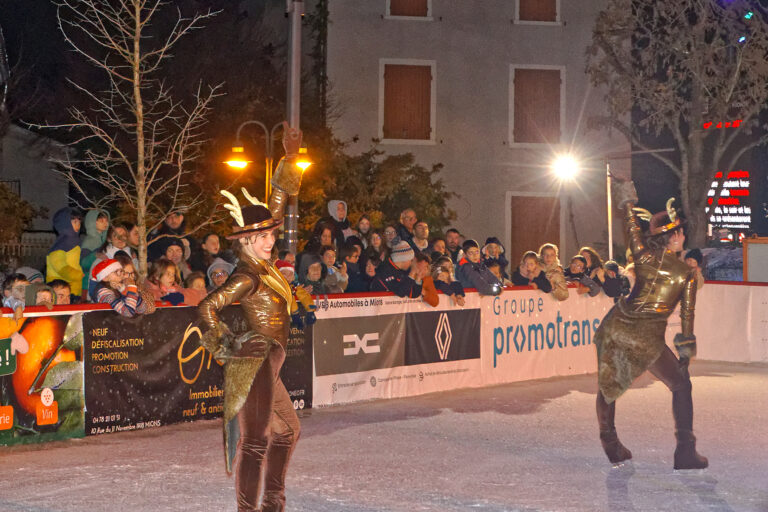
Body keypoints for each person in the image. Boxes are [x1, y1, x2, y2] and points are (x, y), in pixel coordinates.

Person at [198, 124, 304, 512]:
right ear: (244, 241)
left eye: (271, 234)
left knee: (288, 430)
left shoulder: (264, 263)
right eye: (261, 236)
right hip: (254, 359)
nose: (270, 239)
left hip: (268, 360)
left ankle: (273, 501)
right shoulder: (246, 275)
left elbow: (274, 207)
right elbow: (206, 306)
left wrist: (289, 160)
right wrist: (224, 349)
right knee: (256, 440)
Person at [593, 183, 707, 469]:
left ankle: (611, 444)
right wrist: (684, 354)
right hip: (645, 336)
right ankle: (685, 451)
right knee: (681, 386)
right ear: (672, 237)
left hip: (616, 325)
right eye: (678, 231)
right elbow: (687, 317)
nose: (682, 235)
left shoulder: (642, 256)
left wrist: (628, 201)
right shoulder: (687, 274)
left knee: (609, 386)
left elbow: (631, 227)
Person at [46, 207, 85, 296]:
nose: (78, 225)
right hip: (60, 289)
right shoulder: (62, 243)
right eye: (74, 222)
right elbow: (59, 265)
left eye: (79, 221)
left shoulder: (75, 241)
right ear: (65, 223)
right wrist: (76, 275)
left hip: (73, 287)